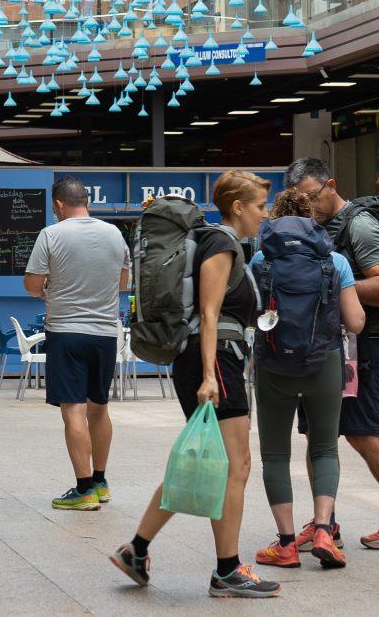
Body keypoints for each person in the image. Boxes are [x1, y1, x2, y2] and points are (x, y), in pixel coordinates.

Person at [111, 170, 281, 598]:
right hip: (215, 361)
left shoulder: (223, 243)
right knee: (234, 467)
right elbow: (208, 314)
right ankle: (227, 570)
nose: (265, 213)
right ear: (238, 207)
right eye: (260, 206)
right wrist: (209, 374)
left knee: (202, 462)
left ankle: (137, 548)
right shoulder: (221, 244)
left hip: (212, 360)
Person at [249, 187, 363, 569]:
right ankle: (325, 532)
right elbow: (356, 322)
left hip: (273, 365)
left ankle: (284, 545)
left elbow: (254, 314)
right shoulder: (334, 261)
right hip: (324, 363)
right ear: (314, 220)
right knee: (325, 448)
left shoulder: (261, 259)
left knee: (276, 454)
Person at [288, 156, 379, 550]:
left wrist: (332, 283)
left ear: (331, 184)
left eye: (312, 196)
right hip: (322, 347)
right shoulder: (313, 229)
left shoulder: (359, 225)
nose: (308, 206)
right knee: (317, 438)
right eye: (299, 200)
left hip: (362, 346)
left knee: (363, 434)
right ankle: (326, 522)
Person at [24, 177, 128, 511]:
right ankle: (100, 481)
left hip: (66, 332)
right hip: (104, 333)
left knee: (74, 410)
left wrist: (50, 285)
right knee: (99, 408)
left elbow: (31, 285)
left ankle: (83, 490)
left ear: (58, 205)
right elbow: (123, 281)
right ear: (87, 200)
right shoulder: (114, 233)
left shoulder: (51, 234)